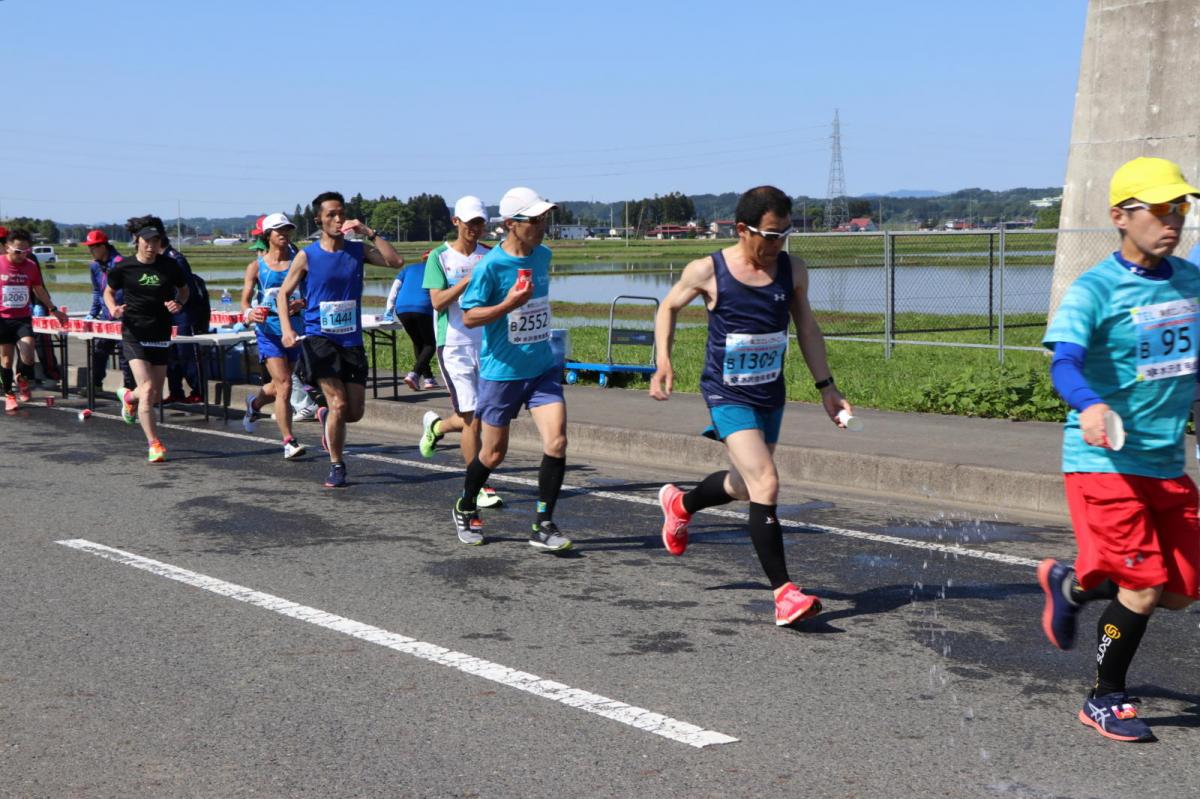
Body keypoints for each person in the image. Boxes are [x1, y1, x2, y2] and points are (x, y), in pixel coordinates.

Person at [1038, 157, 1200, 743]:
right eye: (1159, 209)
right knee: (1143, 588)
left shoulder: (1190, 281)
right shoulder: (1096, 289)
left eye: (1179, 208)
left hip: (1165, 460)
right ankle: (1106, 697)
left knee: (1180, 593)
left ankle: (1072, 585)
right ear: (1119, 217)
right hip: (1103, 463)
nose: (1172, 220)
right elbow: (1064, 362)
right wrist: (1090, 405)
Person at [650, 186, 852, 627]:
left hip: (769, 393)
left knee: (744, 485)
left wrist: (826, 387)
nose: (778, 244)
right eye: (770, 235)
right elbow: (667, 307)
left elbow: (808, 329)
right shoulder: (708, 270)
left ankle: (681, 505)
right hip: (727, 394)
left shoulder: (793, 270)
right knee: (767, 482)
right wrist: (663, 360)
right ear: (742, 230)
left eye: (785, 235)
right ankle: (784, 594)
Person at [452, 187, 570, 550]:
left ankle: (543, 524)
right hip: (502, 372)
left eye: (544, 218)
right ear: (511, 225)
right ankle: (466, 504)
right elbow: (470, 317)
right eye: (534, 220)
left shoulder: (544, 255)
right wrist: (508, 303)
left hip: (541, 368)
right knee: (493, 454)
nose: (542, 225)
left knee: (557, 441)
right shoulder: (491, 267)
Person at [277, 191, 404, 487]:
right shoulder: (308, 255)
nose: (338, 219)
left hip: (351, 340)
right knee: (338, 403)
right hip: (319, 337)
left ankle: (324, 415)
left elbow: (395, 261)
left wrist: (369, 232)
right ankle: (337, 464)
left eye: (341, 214)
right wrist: (287, 329)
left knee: (354, 412)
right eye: (331, 214)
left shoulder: (356, 251)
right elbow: (284, 293)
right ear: (319, 219)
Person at [417, 195, 503, 509]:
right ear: (457, 222)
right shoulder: (439, 257)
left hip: (488, 345)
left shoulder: (490, 255)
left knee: (479, 415)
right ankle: (478, 485)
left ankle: (436, 427)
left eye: (480, 222)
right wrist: (469, 281)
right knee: (472, 419)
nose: (476, 229)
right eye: (470, 223)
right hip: (453, 345)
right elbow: (438, 302)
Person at [103, 225, 189, 462]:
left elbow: (184, 290)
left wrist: (178, 304)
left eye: (156, 242)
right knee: (148, 388)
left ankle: (129, 397)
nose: (151, 247)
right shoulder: (124, 267)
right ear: (137, 241)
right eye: (147, 241)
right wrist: (113, 308)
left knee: (157, 396)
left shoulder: (169, 266)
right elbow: (108, 292)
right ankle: (154, 444)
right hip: (134, 332)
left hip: (160, 332)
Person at [240, 213, 307, 459]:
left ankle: (254, 404)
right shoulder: (257, 266)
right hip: (268, 331)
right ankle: (289, 441)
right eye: (279, 230)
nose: (284, 234)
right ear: (268, 235)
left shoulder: (299, 262)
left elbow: (311, 294)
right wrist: (250, 313)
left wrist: (301, 302)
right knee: (286, 385)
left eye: (288, 230)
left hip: (294, 330)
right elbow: (245, 301)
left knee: (281, 384)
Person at [125, 215, 204, 403]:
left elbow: (188, 290)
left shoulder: (174, 259)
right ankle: (175, 391)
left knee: (187, 355)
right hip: (164, 320)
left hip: (184, 315)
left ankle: (198, 391)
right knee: (171, 358)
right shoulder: (150, 261)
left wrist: (177, 303)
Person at [0, 229, 68, 411]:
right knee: (6, 360)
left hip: (22, 318)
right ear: (7, 247)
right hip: (2, 319)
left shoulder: (30, 266)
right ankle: (9, 394)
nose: (22, 255)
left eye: (25, 251)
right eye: (17, 251)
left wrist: (53, 309)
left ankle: (22, 379)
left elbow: (39, 289)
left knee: (28, 352)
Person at [84, 229, 134, 393]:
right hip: (106, 316)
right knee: (99, 351)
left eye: (94, 247)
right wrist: (92, 313)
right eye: (89, 247)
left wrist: (125, 308)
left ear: (104, 246)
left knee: (124, 354)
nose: (91, 251)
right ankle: (96, 384)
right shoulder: (94, 266)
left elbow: (130, 290)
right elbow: (98, 291)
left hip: (123, 315)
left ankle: (129, 389)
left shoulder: (120, 263)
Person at [386, 258, 438, 391]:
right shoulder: (437, 269)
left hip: (402, 309)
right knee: (431, 344)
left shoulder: (408, 269)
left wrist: (389, 311)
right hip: (423, 308)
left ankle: (428, 379)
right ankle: (414, 374)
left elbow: (394, 288)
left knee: (418, 342)